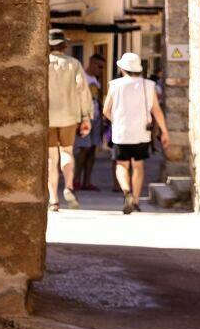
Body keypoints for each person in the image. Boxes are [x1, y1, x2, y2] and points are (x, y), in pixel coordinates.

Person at [105, 51, 172, 214]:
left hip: (121, 131)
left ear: (122, 69)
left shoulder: (114, 85)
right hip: (141, 132)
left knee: (121, 164)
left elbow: (106, 110)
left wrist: (117, 120)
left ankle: (126, 191)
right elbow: (156, 110)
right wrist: (164, 132)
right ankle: (135, 200)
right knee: (138, 166)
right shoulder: (148, 85)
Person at [47, 30, 91, 211]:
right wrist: (86, 116)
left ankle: (53, 199)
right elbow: (82, 89)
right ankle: (68, 186)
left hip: (48, 117)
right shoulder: (74, 64)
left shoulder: (44, 63)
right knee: (66, 152)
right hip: (69, 116)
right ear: (64, 45)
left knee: (51, 158)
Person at [72, 59, 103, 191]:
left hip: (95, 117)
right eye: (99, 66)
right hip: (84, 117)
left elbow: (98, 99)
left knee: (92, 150)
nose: (101, 69)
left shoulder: (95, 80)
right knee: (83, 149)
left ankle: (87, 181)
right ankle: (76, 179)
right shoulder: (82, 78)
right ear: (91, 63)